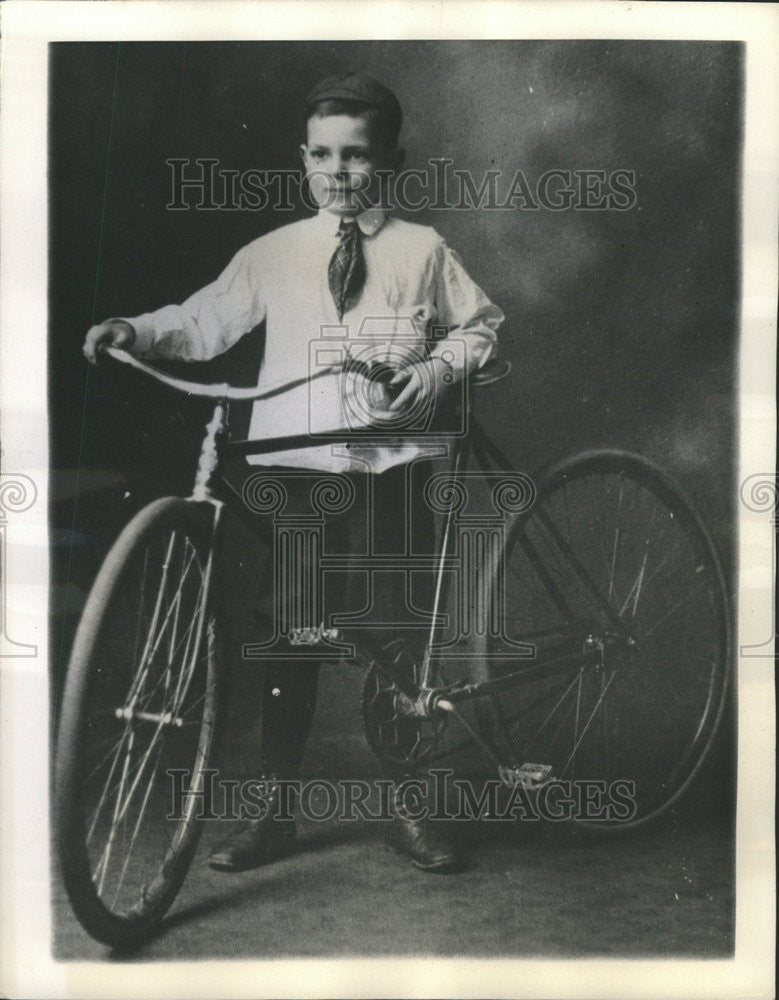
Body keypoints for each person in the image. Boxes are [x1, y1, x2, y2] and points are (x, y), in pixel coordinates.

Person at [83, 72, 504, 873]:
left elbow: (479, 327)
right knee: (288, 640)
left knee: (392, 635)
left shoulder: (422, 251)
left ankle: (408, 805)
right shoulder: (275, 252)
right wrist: (133, 330)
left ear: (391, 160)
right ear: (302, 159)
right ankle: (273, 815)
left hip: (392, 466)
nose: (337, 172)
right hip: (298, 475)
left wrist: (439, 370)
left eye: (356, 155)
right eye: (321, 154)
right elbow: (203, 321)